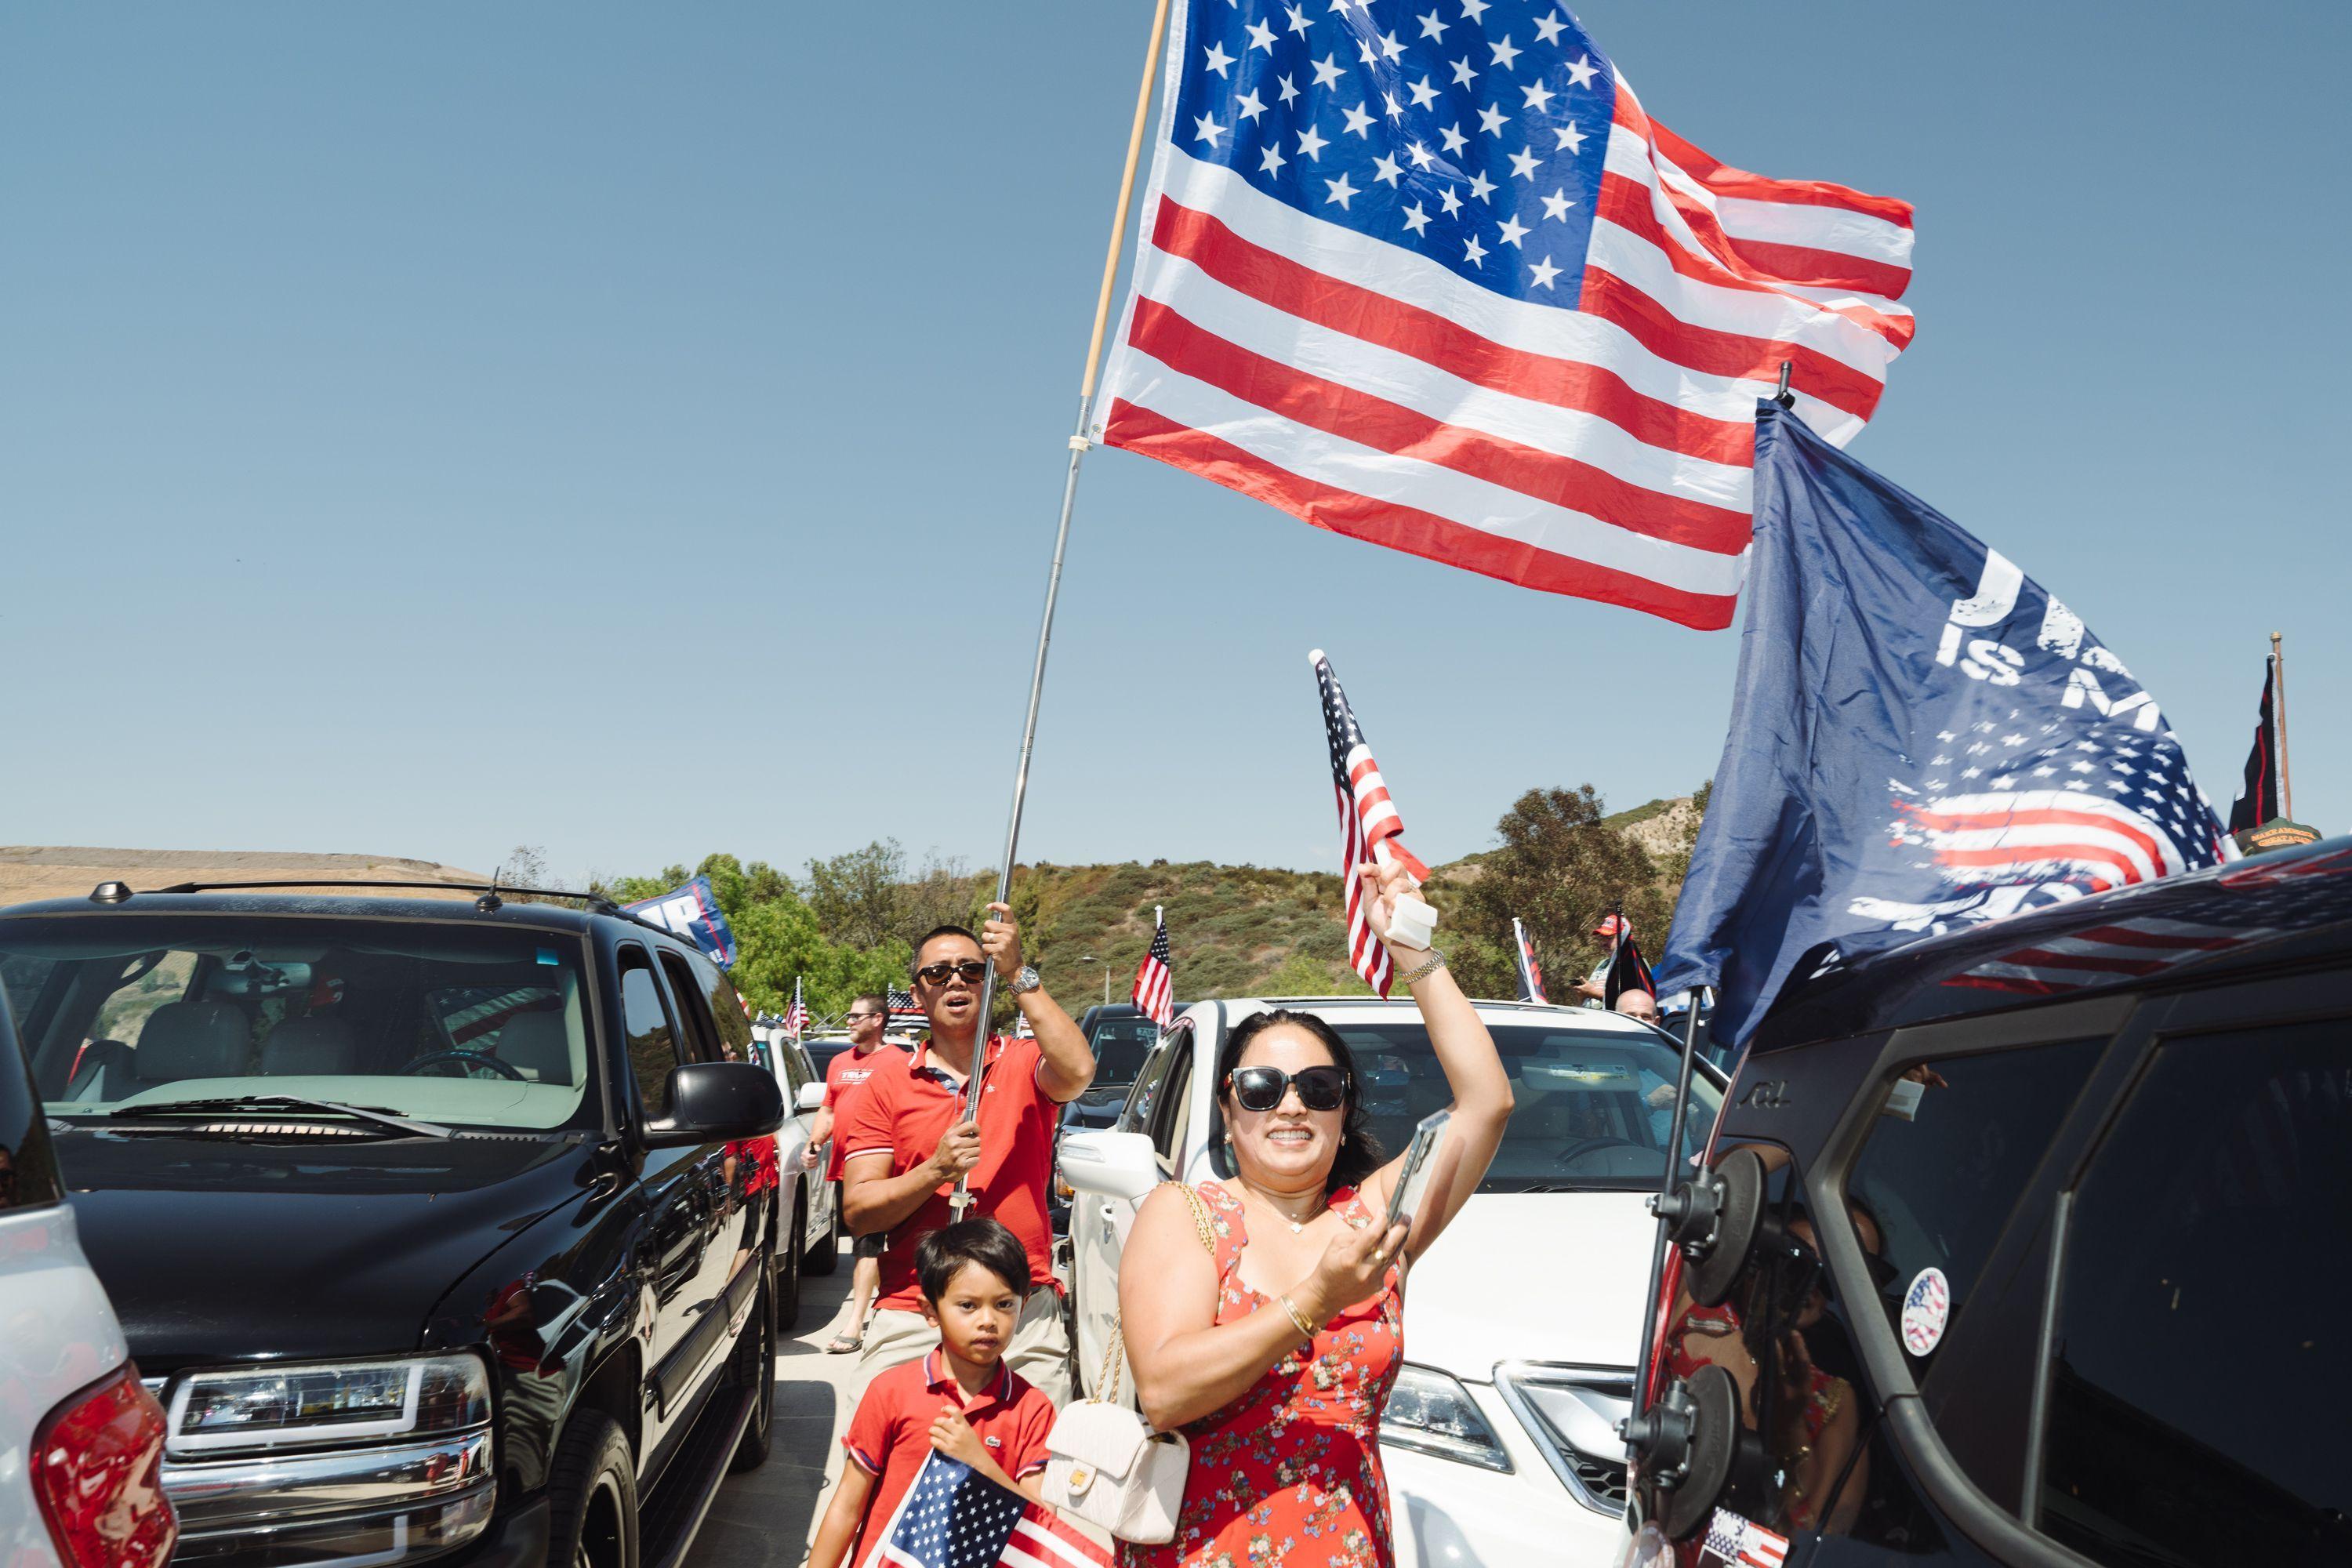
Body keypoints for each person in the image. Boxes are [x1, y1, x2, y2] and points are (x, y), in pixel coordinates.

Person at [1116, 861, 1514, 1568]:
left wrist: (1413, 950)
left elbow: (1487, 1101)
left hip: (1348, 1546)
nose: (1292, 1105)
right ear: (1228, 1109)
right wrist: (1317, 1299)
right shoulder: (1186, 1213)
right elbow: (1166, 1390)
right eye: (1262, 1087)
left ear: (1344, 1107)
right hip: (1207, 1549)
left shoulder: (1376, 1220)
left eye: (1319, 1086)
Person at [838, 906, 1094, 1401]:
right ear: (917, 993)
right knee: (877, 1441)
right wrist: (935, 1170)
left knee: (1038, 1450)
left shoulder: (1026, 1063)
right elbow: (860, 1212)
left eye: (972, 971)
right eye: (937, 973)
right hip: (915, 1308)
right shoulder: (886, 1085)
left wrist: (1018, 971)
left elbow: (1079, 1071)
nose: (955, 980)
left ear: (988, 982)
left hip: (1020, 1308)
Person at [806, 1218, 1059, 1568]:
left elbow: (1040, 1524)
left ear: (1024, 1304)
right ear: (930, 1311)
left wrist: (979, 1463)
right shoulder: (891, 1391)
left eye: (1004, 1304)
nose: (988, 1320)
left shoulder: (1032, 1408)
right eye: (968, 1305)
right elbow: (848, 1506)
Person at [805, 994, 896, 1354]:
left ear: (878, 1019)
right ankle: (885, 1303)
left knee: (867, 1246)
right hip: (846, 1167)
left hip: (882, 1168)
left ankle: (855, 1323)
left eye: (856, 1016)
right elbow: (828, 1110)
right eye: (849, 1015)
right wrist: (814, 1144)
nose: (849, 1022)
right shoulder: (840, 1063)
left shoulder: (898, 1062)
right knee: (865, 1242)